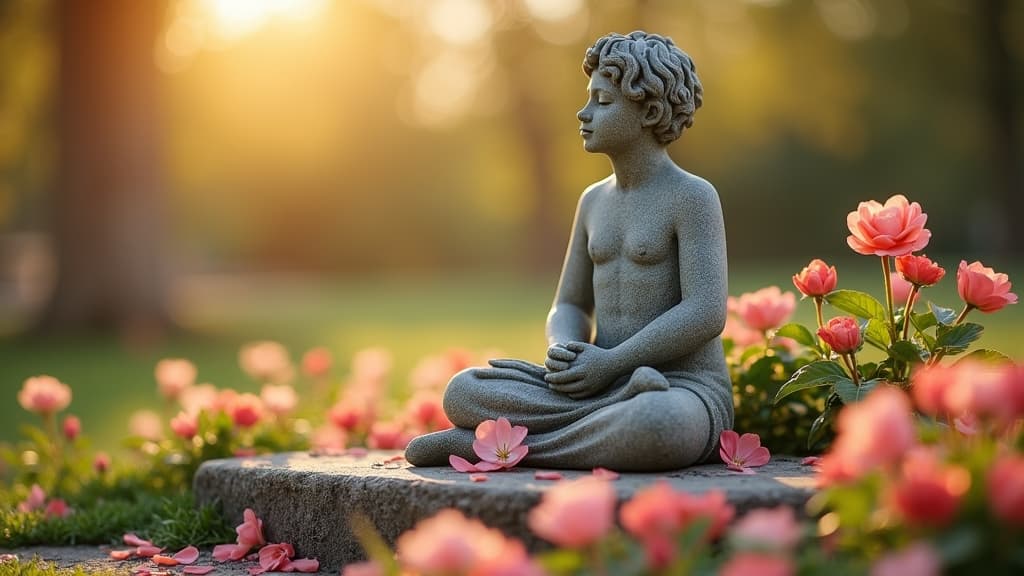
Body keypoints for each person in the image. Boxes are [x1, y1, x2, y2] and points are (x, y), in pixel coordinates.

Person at [405, 31, 732, 471]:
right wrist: (568, 351)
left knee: (658, 425)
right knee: (464, 391)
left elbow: (706, 311)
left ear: (649, 112)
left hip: (678, 387)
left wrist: (615, 361)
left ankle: (504, 448)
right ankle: (588, 424)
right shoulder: (593, 201)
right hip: (598, 384)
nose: (584, 113)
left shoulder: (692, 197)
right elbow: (569, 303)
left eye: (602, 100)